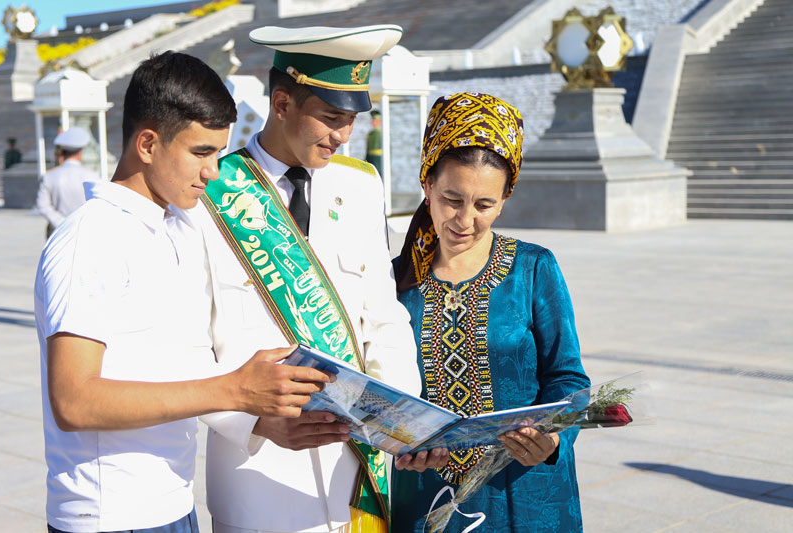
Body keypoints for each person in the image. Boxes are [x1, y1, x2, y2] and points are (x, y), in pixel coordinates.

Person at [34, 51, 333, 533]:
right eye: (201, 152)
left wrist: (258, 416)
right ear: (148, 143)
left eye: (218, 152)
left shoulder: (177, 225)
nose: (213, 171)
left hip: (172, 502)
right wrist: (234, 389)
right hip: (109, 515)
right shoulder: (90, 238)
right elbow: (73, 401)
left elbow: (176, 362)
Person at [193, 24, 447, 533]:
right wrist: (257, 422)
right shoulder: (209, 194)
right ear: (282, 103)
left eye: (351, 119)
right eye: (331, 118)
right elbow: (190, 348)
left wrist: (406, 424)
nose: (343, 135)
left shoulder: (359, 184)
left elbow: (383, 317)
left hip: (355, 476)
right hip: (259, 478)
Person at [390, 93, 591, 532]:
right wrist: (399, 442)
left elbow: (569, 379)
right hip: (427, 496)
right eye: (451, 199)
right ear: (427, 186)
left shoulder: (533, 268)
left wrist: (554, 437)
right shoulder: (394, 284)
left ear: (505, 199)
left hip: (526, 493)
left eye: (484, 205)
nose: (464, 220)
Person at [35, 127, 101, 236]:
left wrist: (61, 222)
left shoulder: (49, 176)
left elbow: (42, 206)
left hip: (58, 231)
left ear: (62, 153)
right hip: (84, 230)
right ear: (80, 153)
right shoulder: (93, 176)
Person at [365, 109, 382, 174]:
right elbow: (368, 150)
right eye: (373, 120)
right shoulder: (371, 134)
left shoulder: (383, 133)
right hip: (371, 161)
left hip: (379, 161)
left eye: (375, 120)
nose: (373, 122)